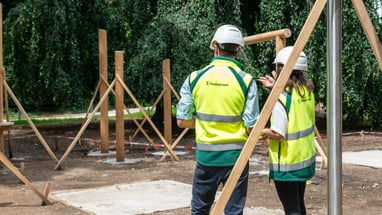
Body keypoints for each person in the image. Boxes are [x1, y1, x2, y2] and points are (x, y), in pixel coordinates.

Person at [176, 24, 260, 215]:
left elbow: (182, 121)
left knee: (199, 210)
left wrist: (205, 123)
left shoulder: (194, 78)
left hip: (206, 157)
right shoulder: (246, 81)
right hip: (235, 158)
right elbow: (250, 127)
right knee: (233, 212)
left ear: (215, 47)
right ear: (238, 49)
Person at [257, 46, 316, 215]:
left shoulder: (280, 99)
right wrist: (276, 86)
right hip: (303, 160)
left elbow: (278, 133)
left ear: (281, 68)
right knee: (299, 205)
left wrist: (259, 129)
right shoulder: (307, 91)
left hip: (287, 165)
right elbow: (294, 103)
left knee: (292, 210)